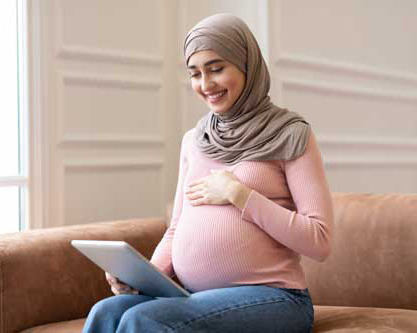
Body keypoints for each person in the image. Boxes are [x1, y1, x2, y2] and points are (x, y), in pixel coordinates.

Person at [83, 13, 333, 333]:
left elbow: (320, 241)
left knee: (141, 319)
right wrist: (143, 277)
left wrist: (239, 194)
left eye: (216, 69)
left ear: (246, 64)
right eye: (196, 74)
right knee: (107, 311)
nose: (205, 84)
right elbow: (177, 228)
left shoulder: (291, 134)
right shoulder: (194, 140)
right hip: (198, 296)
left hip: (277, 298)